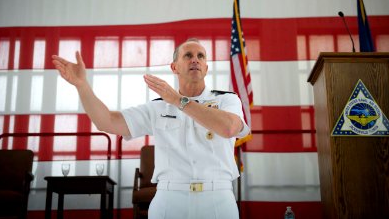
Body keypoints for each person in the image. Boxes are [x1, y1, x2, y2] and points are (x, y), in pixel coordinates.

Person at [52, 38, 250, 219]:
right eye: (188, 55)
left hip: (218, 200)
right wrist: (82, 86)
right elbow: (107, 122)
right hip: (169, 200)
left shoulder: (227, 99)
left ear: (206, 68)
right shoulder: (158, 107)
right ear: (174, 67)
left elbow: (229, 128)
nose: (195, 60)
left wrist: (178, 101)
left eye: (201, 56)